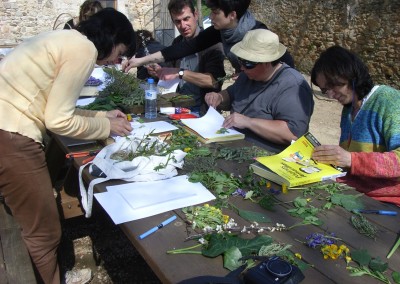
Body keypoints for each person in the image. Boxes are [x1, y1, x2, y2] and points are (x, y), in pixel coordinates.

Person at [0, 8, 134, 284]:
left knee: (38, 219)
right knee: (45, 232)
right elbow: (59, 121)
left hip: (7, 125)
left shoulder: (65, 39)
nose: (114, 61)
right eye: (118, 52)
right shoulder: (83, 50)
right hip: (11, 134)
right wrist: (106, 127)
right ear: (110, 39)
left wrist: (102, 116)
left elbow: (57, 107)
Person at [310, 46, 400, 206]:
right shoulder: (349, 110)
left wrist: (351, 160)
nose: (331, 94)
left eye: (333, 85)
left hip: (386, 202)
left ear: (351, 75)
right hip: (354, 194)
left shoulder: (388, 100)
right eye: (325, 90)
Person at [205, 29, 313, 153]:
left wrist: (248, 122)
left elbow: (292, 134)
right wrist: (219, 97)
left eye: (248, 63)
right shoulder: (248, 74)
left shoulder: (293, 86)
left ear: (267, 62)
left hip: (266, 156)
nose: (242, 67)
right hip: (234, 146)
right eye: (241, 60)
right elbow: (231, 94)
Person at [124, 0, 294, 75]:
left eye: (215, 12)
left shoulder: (258, 34)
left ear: (232, 15)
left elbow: (284, 65)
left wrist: (249, 71)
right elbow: (183, 48)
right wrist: (140, 61)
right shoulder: (221, 31)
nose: (211, 17)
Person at [147, 0, 226, 113]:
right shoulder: (177, 43)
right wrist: (159, 71)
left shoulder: (212, 44)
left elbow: (213, 81)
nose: (183, 25)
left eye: (186, 19)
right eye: (178, 21)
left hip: (203, 112)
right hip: (178, 109)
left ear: (196, 15)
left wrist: (180, 73)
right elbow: (171, 73)